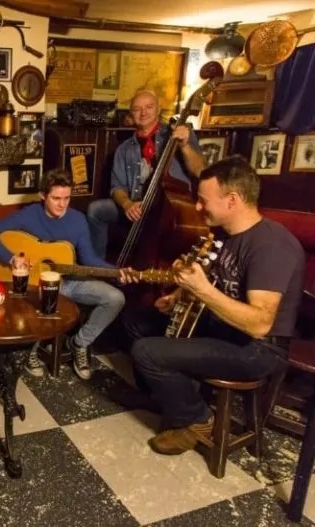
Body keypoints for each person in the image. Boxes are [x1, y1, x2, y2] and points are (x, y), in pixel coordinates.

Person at [126, 156, 305, 456]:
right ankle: (167, 396)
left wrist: (202, 290)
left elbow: (260, 324)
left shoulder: (271, 246)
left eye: (202, 200)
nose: (197, 207)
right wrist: (179, 298)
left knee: (147, 352)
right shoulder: (225, 236)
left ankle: (196, 420)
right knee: (133, 321)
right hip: (222, 327)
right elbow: (217, 286)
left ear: (232, 200)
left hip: (257, 349)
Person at [0, 169, 136, 380]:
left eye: (67, 198)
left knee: (116, 298)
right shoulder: (29, 215)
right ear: (43, 195)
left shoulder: (78, 220)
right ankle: (30, 352)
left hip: (70, 282)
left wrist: (117, 272)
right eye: (56, 198)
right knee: (45, 296)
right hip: (39, 285)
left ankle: (79, 344)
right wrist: (11, 258)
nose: (62, 205)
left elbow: (89, 259)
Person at [86, 90, 205, 259]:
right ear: (131, 114)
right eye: (137, 109)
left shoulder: (178, 133)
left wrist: (185, 145)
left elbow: (199, 170)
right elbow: (117, 187)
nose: (143, 113)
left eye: (149, 107)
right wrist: (127, 204)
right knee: (96, 209)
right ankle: (96, 266)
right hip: (136, 206)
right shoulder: (124, 149)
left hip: (170, 207)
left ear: (158, 109)